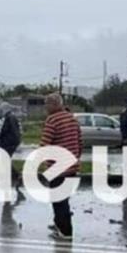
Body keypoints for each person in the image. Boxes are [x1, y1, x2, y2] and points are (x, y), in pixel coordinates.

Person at [40, 93, 82, 240]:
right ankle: (59, 224)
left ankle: (65, 232)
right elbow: (80, 142)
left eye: (47, 104)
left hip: (58, 168)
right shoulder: (72, 118)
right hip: (72, 165)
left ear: (53, 105)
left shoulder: (52, 120)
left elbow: (44, 144)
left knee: (58, 201)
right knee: (64, 199)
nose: (45, 108)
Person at [0, 109, 22, 186]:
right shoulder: (13, 117)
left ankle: (16, 176)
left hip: (8, 142)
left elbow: (4, 130)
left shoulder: (8, 118)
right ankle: (12, 177)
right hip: (14, 141)